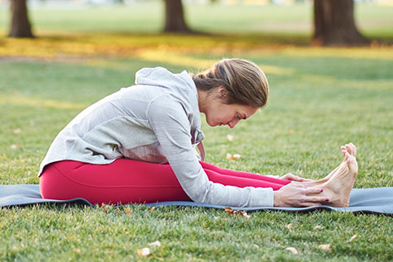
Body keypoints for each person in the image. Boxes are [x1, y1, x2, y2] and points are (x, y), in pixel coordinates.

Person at [38, 58, 358, 208]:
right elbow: (200, 191)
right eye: (237, 115)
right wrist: (274, 198)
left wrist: (283, 187)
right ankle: (315, 195)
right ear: (221, 92)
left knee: (202, 170)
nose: (233, 124)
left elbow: (203, 173)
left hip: (86, 166)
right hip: (70, 174)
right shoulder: (167, 106)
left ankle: (316, 190)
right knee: (187, 180)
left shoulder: (177, 99)